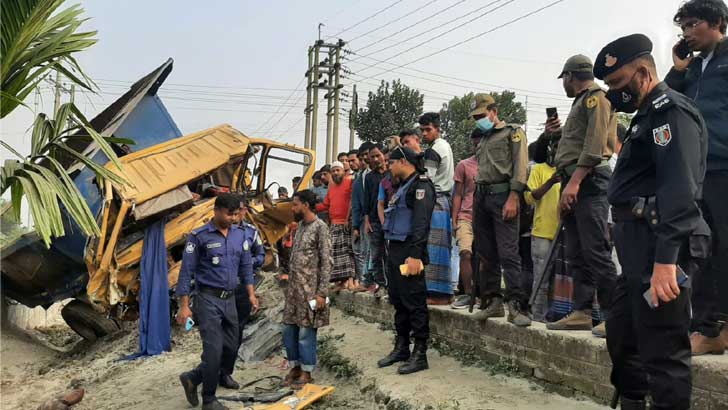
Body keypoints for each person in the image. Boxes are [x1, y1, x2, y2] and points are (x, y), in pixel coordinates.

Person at [596, 33, 709, 410]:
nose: (613, 93)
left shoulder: (669, 112)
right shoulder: (645, 117)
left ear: (643, 73)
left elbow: (680, 189)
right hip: (636, 249)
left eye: (616, 83)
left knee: (663, 349)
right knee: (623, 335)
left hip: (661, 246)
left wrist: (665, 261)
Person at [667, 0, 728, 355]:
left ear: (717, 22)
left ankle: (716, 325)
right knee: (700, 249)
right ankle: (708, 327)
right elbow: (670, 103)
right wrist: (677, 70)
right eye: (684, 27)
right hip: (698, 170)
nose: (687, 33)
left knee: (724, 248)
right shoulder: (692, 68)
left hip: (725, 167)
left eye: (693, 25)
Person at [544, 54, 618, 335]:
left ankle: (615, 316)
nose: (563, 83)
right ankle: (582, 311)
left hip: (588, 181)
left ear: (570, 76)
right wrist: (555, 135)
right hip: (574, 180)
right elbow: (576, 143)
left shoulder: (595, 98)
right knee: (577, 252)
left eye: (564, 78)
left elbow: (595, 144)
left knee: (596, 251)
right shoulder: (580, 103)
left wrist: (574, 183)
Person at [176, 193, 259, 410]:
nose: (233, 218)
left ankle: (193, 377)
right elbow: (186, 272)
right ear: (216, 210)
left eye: (235, 214)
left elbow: (246, 266)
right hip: (207, 299)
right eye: (229, 214)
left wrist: (251, 294)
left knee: (231, 347)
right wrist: (184, 307)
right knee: (213, 350)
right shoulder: (199, 236)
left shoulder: (240, 235)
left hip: (230, 299)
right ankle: (209, 399)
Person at [469, 93, 531, 327]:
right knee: (486, 254)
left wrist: (514, 196)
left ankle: (516, 306)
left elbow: (521, 166)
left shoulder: (512, 132)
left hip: (503, 195)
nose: (479, 120)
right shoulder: (483, 138)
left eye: (482, 115)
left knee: (508, 253)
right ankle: (493, 302)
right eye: (476, 117)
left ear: (494, 111)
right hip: (482, 196)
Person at [376, 146, 436, 375]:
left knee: (414, 301)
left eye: (391, 163)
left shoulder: (421, 186)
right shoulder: (403, 187)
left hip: (410, 250)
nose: (389, 167)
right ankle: (402, 347)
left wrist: (415, 255)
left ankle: (420, 353)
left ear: (402, 161)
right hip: (396, 249)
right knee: (399, 300)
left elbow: (421, 224)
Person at [280, 190, 332, 388]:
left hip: (310, 291)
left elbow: (327, 262)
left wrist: (321, 293)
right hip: (294, 291)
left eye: (295, 204)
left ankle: (307, 371)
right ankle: (294, 367)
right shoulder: (300, 226)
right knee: (288, 329)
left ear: (306, 206)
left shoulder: (321, 228)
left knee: (305, 332)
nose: (293, 208)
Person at [219, 195, 266, 385]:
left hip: (242, 289)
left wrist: (245, 264)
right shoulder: (218, 230)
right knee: (216, 333)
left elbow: (260, 256)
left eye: (238, 210)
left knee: (236, 332)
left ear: (245, 211)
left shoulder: (251, 232)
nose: (235, 214)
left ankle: (225, 372)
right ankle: (210, 371)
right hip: (219, 289)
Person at [419, 112, 455, 305]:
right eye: (422, 130)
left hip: (436, 200)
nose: (425, 134)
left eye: (428, 129)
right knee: (441, 247)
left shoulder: (433, 151)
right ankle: (443, 292)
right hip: (444, 201)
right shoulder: (445, 146)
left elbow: (427, 178)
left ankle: (438, 294)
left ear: (437, 129)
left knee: (435, 248)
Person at [525, 134, 562, 322]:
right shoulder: (539, 169)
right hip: (542, 232)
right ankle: (538, 318)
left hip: (564, 234)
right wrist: (551, 182)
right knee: (541, 280)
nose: (558, 151)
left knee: (560, 281)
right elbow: (530, 197)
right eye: (556, 147)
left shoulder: (572, 171)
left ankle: (555, 316)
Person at [450, 129, 481, 309]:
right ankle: (468, 294)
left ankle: (483, 294)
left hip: (484, 217)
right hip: (465, 216)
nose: (478, 146)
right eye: (475, 142)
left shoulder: (494, 165)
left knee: (484, 258)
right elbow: (458, 195)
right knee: (465, 253)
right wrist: (454, 220)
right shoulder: (463, 165)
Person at [316, 161, 355, 289]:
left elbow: (351, 201)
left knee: (346, 255)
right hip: (334, 224)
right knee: (334, 255)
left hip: (345, 224)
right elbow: (326, 205)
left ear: (343, 171)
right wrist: (312, 207)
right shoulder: (331, 187)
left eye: (338, 170)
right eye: (333, 171)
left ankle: (349, 282)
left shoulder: (349, 182)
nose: (335, 173)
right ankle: (340, 282)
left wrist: (347, 219)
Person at [363, 143, 389, 292]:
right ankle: (381, 283)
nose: (375, 159)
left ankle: (392, 282)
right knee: (376, 253)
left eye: (378, 155)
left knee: (391, 252)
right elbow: (367, 200)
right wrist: (367, 221)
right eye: (372, 157)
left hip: (390, 218)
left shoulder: (390, 174)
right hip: (374, 220)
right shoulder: (370, 177)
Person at [352, 142, 374, 291]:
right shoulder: (361, 177)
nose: (365, 158)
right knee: (365, 251)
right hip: (363, 219)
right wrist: (355, 224)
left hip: (375, 218)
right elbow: (356, 202)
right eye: (363, 156)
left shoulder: (374, 175)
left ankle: (372, 281)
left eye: (368, 154)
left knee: (374, 251)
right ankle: (366, 281)